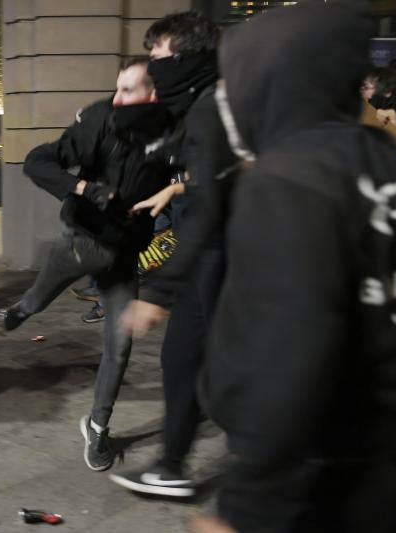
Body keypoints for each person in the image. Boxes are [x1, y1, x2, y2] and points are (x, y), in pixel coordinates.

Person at [201, 4, 396, 531]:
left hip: (329, 479)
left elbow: (290, 349)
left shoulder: (287, 182)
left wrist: (247, 506)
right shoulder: (393, 170)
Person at [1, 57, 172, 471]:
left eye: (128, 90)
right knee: (39, 299)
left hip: (123, 257)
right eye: (117, 88)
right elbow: (38, 162)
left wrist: (176, 189)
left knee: (121, 345)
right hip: (81, 241)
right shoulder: (100, 119)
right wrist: (83, 187)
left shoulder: (173, 129)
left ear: (153, 95)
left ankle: (98, 427)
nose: (118, 98)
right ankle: (23, 307)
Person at [109, 10, 237, 497]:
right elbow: (210, 179)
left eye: (159, 55)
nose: (154, 67)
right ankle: (171, 465)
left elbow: (211, 207)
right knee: (182, 358)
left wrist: (159, 291)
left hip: (226, 257)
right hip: (210, 254)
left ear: (186, 57)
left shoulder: (210, 109)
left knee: (226, 372)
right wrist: (176, 187)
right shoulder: (202, 106)